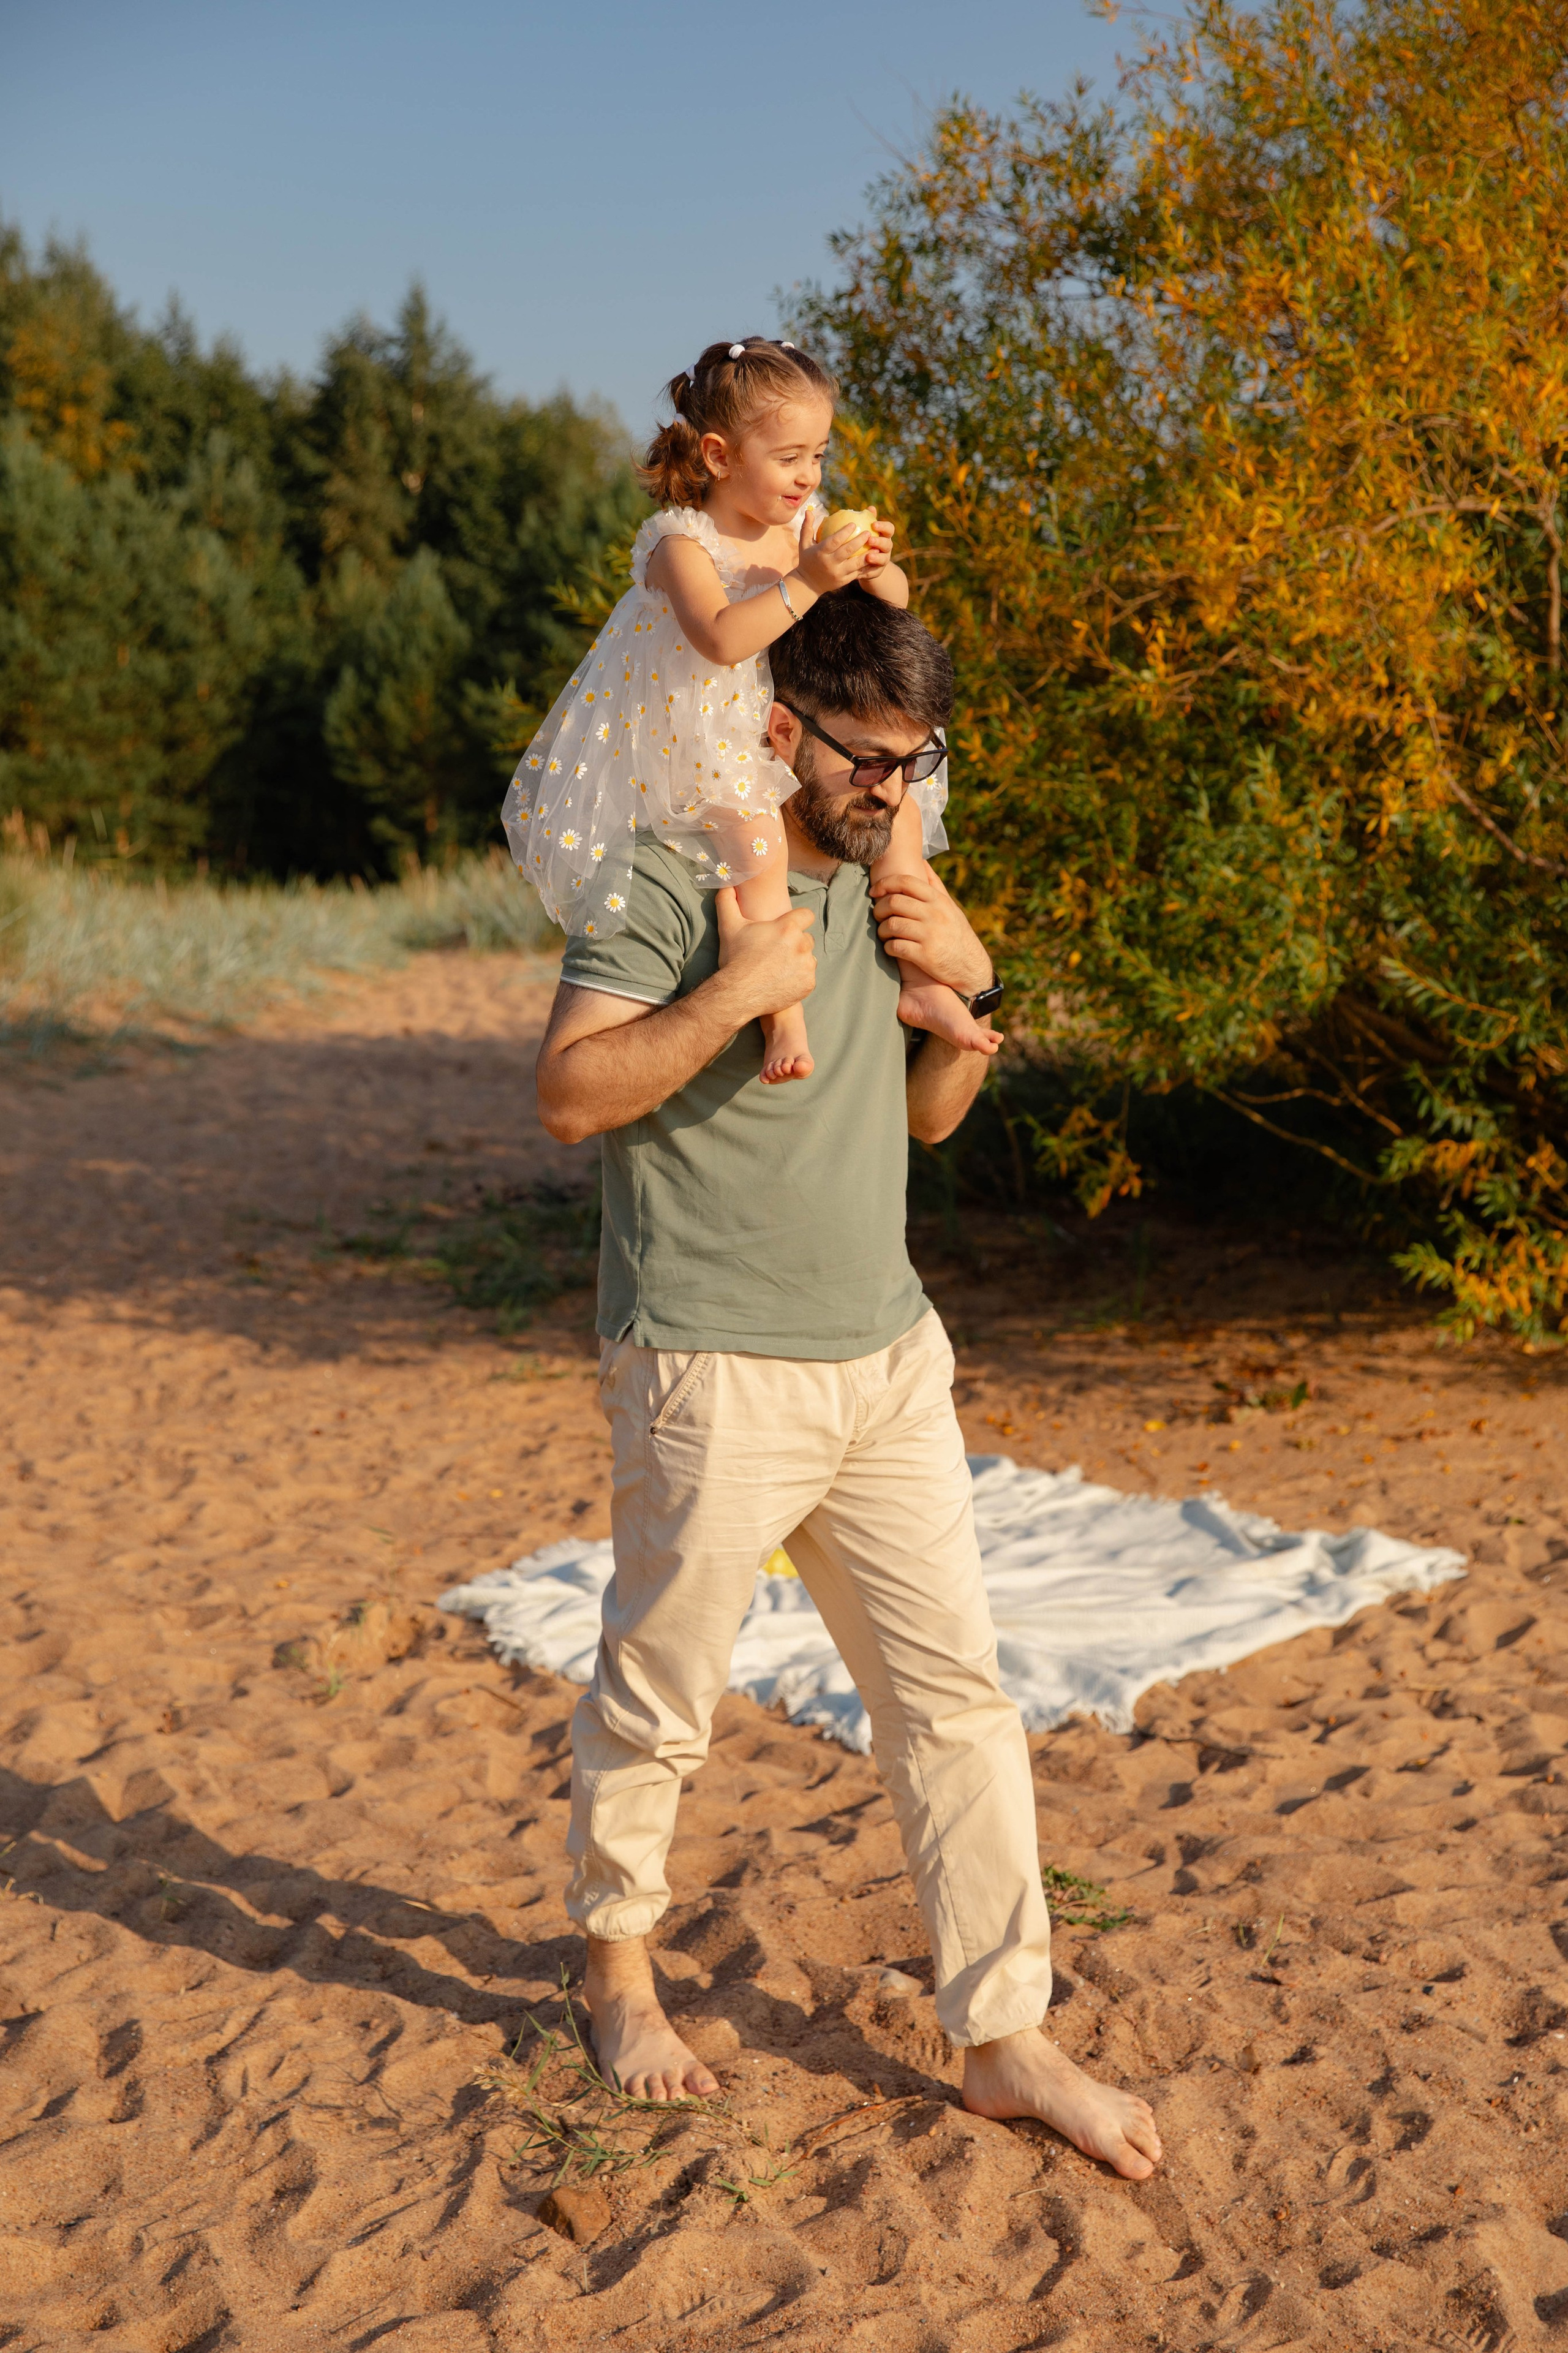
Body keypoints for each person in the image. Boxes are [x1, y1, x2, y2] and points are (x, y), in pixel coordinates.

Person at [532, 586, 1163, 2182]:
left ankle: (1006, 2037)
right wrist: (728, 1001)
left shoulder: (903, 880)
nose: (896, 790)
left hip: (886, 1356)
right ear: (777, 725)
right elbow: (566, 1094)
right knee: (663, 1701)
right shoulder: (675, 874)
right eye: (869, 760)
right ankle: (616, 1974)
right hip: (709, 1361)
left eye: (918, 759)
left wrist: (980, 995)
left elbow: (932, 1116)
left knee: (956, 1701)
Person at [503, 334, 998, 1083]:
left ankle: (926, 987)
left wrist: (877, 570)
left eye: (820, 456)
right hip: (716, 738)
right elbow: (722, 639)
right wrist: (806, 580)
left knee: (901, 828)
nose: (809, 476)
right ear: (718, 455)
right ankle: (782, 1015)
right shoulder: (683, 544)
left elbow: (890, 615)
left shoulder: (806, 526)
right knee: (761, 856)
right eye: (791, 457)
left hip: (805, 726)